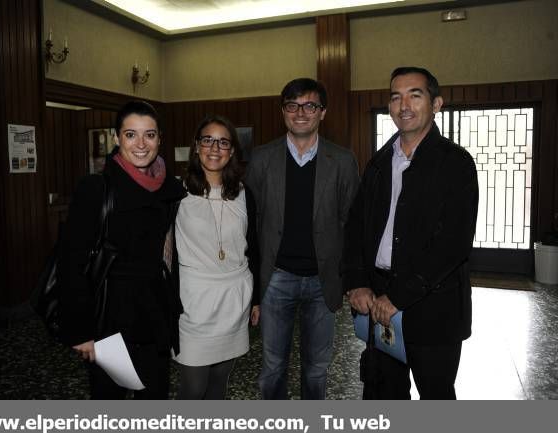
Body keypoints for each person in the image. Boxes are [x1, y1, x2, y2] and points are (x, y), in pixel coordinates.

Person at [342, 66, 479, 399]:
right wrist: (357, 281)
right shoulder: (378, 164)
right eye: (395, 96)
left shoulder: (455, 163)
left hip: (434, 307)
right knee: (383, 393)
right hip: (378, 300)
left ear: (436, 104)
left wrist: (399, 297)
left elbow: (453, 245)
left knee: (435, 394)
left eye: (414, 95)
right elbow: (355, 228)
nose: (403, 104)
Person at [58, 100, 186, 399]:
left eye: (149, 135)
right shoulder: (96, 188)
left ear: (159, 139)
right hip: (108, 321)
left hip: (153, 319)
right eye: (131, 134)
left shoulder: (168, 189)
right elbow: (71, 261)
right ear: (117, 138)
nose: (141, 144)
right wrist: (81, 332)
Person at [245, 78, 360, 399]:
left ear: (322, 113)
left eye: (310, 105)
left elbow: (352, 223)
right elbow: (250, 223)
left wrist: (352, 277)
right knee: (271, 368)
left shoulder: (342, 161)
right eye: (292, 105)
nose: (300, 113)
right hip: (275, 278)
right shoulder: (262, 159)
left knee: (317, 369)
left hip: (323, 281)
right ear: (283, 111)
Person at [174, 115, 260, 399]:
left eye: (223, 142)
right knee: (193, 390)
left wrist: (256, 298)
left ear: (232, 150)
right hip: (193, 303)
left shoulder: (244, 194)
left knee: (218, 386)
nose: (215, 148)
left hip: (233, 299)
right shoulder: (176, 193)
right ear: (196, 146)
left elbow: (253, 248)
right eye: (207, 140)